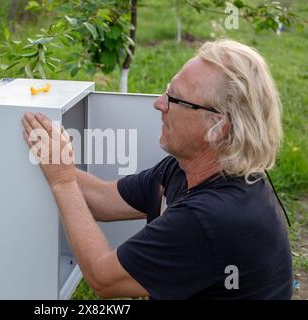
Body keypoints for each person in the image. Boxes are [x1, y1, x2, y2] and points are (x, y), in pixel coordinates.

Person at [21, 39, 293, 299]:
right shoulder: (188, 168)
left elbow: (102, 278)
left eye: (174, 99)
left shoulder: (209, 218)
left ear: (217, 126)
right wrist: (55, 162)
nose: (159, 103)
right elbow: (104, 200)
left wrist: (63, 181)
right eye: (166, 90)